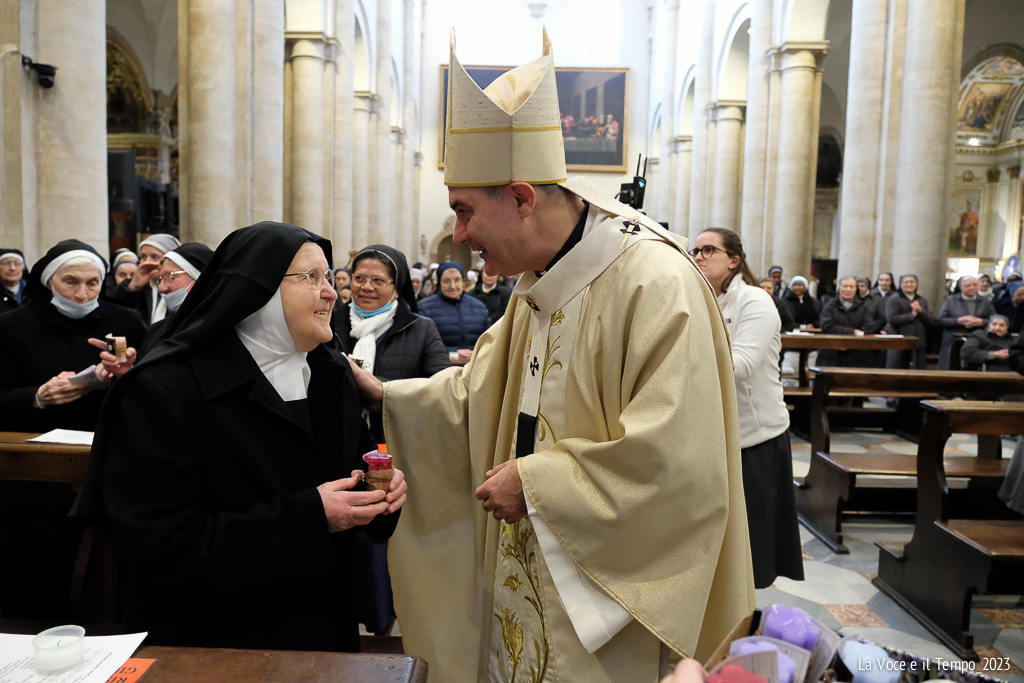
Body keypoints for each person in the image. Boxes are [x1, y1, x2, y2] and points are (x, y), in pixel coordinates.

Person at [345, 29, 753, 682]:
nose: (458, 235)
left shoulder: (655, 282)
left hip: (600, 593)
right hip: (525, 561)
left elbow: (680, 461)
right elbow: (477, 389)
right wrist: (385, 393)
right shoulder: (540, 284)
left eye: (465, 211)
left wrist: (537, 483)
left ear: (524, 197)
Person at [71, 222, 407, 651]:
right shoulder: (160, 390)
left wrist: (381, 492)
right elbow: (161, 546)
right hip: (217, 641)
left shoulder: (329, 373)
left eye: (329, 277)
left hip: (322, 629)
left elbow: (351, 479)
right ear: (258, 290)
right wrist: (311, 517)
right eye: (312, 278)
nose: (331, 293)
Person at [0, 240, 144, 619]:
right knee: (38, 573)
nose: (83, 293)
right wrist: (37, 397)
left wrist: (123, 378)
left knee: (107, 569)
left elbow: (155, 393)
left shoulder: (126, 322)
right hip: (33, 475)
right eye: (71, 282)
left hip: (109, 462)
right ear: (49, 282)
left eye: (93, 283)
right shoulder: (11, 326)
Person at [331, 244, 449, 636]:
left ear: (396, 287)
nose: (366, 287)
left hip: (390, 452)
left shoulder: (420, 329)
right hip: (342, 446)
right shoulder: (331, 323)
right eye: (359, 278)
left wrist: (380, 392)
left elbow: (438, 392)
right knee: (347, 528)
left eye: (378, 280)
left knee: (384, 529)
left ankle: (386, 617)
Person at [694, 229, 803, 589]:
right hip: (715, 433)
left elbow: (740, 363)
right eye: (695, 250)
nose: (699, 256)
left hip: (755, 436)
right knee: (719, 541)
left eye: (709, 249)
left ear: (734, 260)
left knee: (753, 549)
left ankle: (742, 624)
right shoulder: (703, 299)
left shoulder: (754, 300)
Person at [417, 261, 492, 366]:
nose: (453, 286)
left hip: (475, 368)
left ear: (463, 281)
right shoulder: (424, 308)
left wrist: (475, 354)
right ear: (439, 283)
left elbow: (490, 341)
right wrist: (452, 354)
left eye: (457, 280)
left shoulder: (479, 306)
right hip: (441, 371)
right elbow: (421, 346)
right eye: (446, 281)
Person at [107, 233, 181, 325]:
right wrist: (133, 287)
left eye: (154, 257)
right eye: (143, 257)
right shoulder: (140, 289)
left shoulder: (181, 289)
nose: (147, 262)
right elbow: (115, 313)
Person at [819, 277, 878, 367]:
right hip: (833, 351)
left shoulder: (863, 307)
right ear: (839, 288)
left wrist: (851, 342)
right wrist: (851, 332)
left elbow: (868, 326)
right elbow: (827, 326)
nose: (848, 289)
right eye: (845, 286)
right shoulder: (830, 306)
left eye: (851, 287)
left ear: (856, 289)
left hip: (857, 353)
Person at [936, 275, 992, 370]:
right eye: (968, 285)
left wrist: (980, 322)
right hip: (952, 340)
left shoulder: (984, 301)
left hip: (976, 341)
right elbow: (941, 320)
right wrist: (958, 321)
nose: (972, 287)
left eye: (974, 284)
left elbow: (994, 320)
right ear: (961, 287)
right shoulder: (951, 300)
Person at [885, 274, 931, 369]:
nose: (909, 284)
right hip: (899, 342)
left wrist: (921, 311)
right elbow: (892, 319)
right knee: (895, 370)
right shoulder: (894, 299)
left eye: (912, 282)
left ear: (916, 285)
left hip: (918, 342)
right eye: (906, 282)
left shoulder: (922, 300)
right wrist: (912, 315)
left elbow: (930, 320)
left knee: (919, 372)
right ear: (901, 285)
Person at [0, 248, 28, 314]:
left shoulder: (33, 293)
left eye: (17, 263)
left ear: (23, 268)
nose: (12, 268)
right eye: (6, 263)